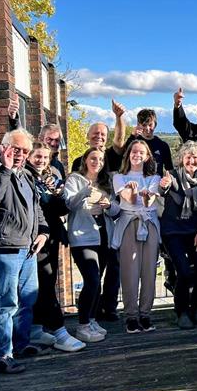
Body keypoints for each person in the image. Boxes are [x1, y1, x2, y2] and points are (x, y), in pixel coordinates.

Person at [0, 128, 50, 373]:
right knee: (6, 303)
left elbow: (36, 207)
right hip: (4, 248)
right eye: (16, 149)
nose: (19, 155)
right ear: (3, 145)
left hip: (28, 248)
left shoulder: (26, 175)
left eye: (25, 151)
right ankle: (2, 355)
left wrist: (43, 232)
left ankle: (20, 344)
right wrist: (5, 169)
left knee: (27, 300)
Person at [26, 142, 85, 352]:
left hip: (49, 237)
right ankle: (59, 331)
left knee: (46, 281)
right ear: (29, 157)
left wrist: (58, 194)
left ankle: (35, 328)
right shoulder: (27, 176)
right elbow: (37, 204)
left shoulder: (47, 177)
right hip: (34, 239)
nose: (41, 160)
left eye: (45, 157)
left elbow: (60, 209)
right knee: (45, 283)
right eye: (37, 156)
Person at [64, 147, 120, 343]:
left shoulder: (106, 182)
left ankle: (92, 319)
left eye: (101, 159)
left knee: (97, 279)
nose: (97, 162)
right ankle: (83, 325)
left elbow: (116, 211)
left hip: (103, 235)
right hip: (82, 237)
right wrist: (85, 191)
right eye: (93, 158)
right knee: (92, 279)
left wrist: (109, 205)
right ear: (85, 159)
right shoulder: (74, 179)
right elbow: (68, 204)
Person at [159, 141, 197, 329]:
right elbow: (163, 189)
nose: (191, 160)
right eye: (188, 156)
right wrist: (163, 185)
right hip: (173, 233)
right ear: (181, 159)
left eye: (195, 157)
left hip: (195, 232)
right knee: (184, 272)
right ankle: (181, 312)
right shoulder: (172, 176)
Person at [113, 140, 161, 334]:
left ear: (147, 156)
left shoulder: (155, 177)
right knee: (130, 272)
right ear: (129, 155)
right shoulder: (119, 177)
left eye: (141, 152)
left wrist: (146, 195)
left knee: (149, 271)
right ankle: (131, 316)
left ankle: (145, 314)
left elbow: (149, 201)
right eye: (134, 152)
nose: (137, 155)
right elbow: (129, 200)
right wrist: (133, 191)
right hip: (129, 224)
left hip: (149, 224)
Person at [7, 93, 67, 178]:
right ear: (40, 138)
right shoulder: (29, 157)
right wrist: (13, 118)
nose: (53, 143)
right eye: (49, 139)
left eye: (57, 140)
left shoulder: (58, 166)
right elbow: (19, 135)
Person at [71, 99, 126, 173]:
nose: (99, 136)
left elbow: (119, 139)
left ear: (106, 138)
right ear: (87, 136)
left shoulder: (112, 156)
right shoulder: (78, 162)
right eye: (96, 133)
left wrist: (119, 116)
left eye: (103, 134)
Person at [125, 107, 174, 176]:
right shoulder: (133, 143)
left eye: (150, 125)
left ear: (155, 124)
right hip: (136, 184)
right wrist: (132, 136)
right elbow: (123, 158)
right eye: (144, 125)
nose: (147, 129)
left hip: (157, 184)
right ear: (139, 125)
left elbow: (170, 169)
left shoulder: (162, 145)